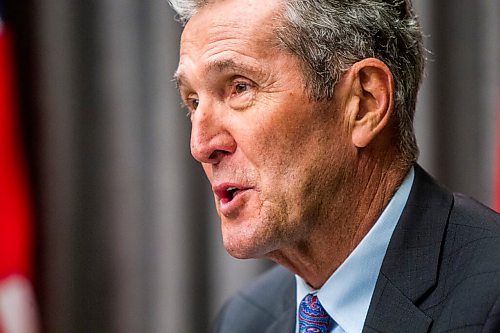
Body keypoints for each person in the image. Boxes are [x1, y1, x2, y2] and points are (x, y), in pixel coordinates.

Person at [169, 0, 500, 331]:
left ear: (364, 104)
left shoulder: (491, 301)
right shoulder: (244, 320)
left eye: (240, 87)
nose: (200, 146)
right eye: (194, 102)